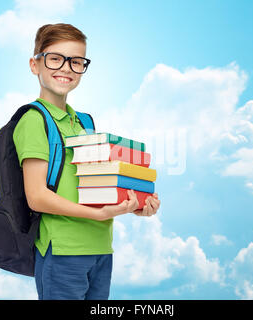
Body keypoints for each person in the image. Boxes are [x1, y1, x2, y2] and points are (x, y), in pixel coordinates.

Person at [12, 23, 161, 300]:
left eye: (76, 61)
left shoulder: (84, 122)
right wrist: (99, 215)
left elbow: (95, 187)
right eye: (56, 58)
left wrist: (134, 205)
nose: (66, 68)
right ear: (35, 64)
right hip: (63, 251)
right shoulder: (34, 120)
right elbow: (37, 197)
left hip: (101, 247)